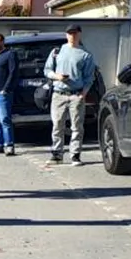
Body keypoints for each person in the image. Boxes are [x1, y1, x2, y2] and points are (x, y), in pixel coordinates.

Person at [44, 24, 97, 166]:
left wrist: (83, 94)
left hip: (76, 95)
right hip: (58, 93)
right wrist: (57, 76)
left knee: (77, 126)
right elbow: (47, 70)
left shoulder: (85, 55)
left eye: (74, 33)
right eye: (69, 33)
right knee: (57, 125)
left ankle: (75, 155)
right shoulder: (57, 51)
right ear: (66, 35)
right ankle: (56, 154)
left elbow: (89, 77)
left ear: (79, 34)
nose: (72, 36)